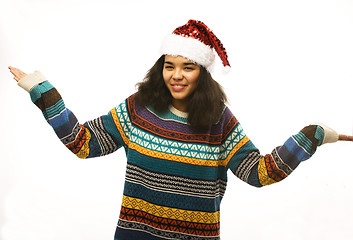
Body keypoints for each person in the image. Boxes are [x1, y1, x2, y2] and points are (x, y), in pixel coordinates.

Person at [9, 19, 348, 240]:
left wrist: (311, 135)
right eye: (170, 66)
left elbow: (258, 173)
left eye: (188, 67)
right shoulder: (137, 110)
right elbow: (83, 143)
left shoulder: (219, 121)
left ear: (202, 72)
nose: (177, 75)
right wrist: (45, 94)